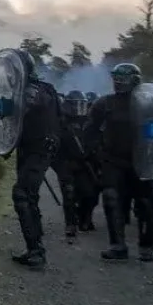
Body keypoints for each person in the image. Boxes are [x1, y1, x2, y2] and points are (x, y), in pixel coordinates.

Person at [84, 63, 153, 262]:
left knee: (145, 205)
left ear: (135, 80)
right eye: (116, 78)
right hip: (114, 161)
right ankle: (118, 245)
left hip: (144, 161)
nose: (118, 82)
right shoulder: (104, 103)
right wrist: (93, 154)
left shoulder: (151, 103)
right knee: (111, 199)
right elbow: (90, 130)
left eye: (123, 79)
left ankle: (146, 246)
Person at [8, 51, 60, 270]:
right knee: (30, 196)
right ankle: (34, 248)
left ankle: (37, 251)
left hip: (40, 150)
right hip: (28, 149)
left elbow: (25, 106)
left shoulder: (36, 90)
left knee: (22, 194)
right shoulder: (35, 89)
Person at [50, 90, 88, 240]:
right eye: (74, 105)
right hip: (65, 164)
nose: (77, 109)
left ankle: (83, 217)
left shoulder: (87, 122)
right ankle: (70, 224)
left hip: (83, 164)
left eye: (80, 105)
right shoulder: (59, 123)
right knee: (69, 193)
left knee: (88, 193)